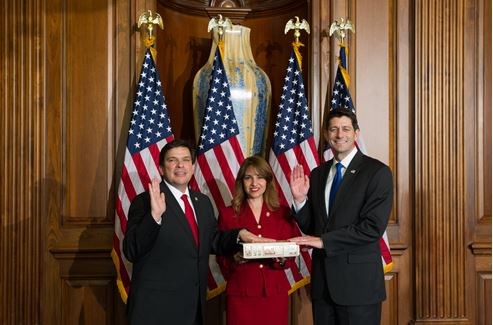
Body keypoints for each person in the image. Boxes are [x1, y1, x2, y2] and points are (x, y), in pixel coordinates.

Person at [123, 139, 263, 325]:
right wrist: (154, 216)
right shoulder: (145, 202)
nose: (180, 165)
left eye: (186, 159)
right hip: (155, 310)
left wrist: (239, 234)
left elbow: (212, 240)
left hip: (193, 309)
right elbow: (131, 250)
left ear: (193, 166)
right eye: (172, 160)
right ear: (161, 168)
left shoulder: (202, 202)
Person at [288, 108, 393, 325]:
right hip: (323, 286)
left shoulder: (377, 172)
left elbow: (371, 228)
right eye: (334, 129)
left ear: (356, 133)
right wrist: (300, 201)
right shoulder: (317, 174)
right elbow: (313, 228)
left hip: (358, 288)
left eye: (345, 129)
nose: (339, 135)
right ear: (327, 135)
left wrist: (323, 241)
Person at [217, 156, 301, 325]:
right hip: (241, 294)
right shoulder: (228, 214)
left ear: (268, 180)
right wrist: (235, 259)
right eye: (248, 177)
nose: (254, 183)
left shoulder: (283, 213)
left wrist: (282, 260)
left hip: (274, 294)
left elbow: (291, 255)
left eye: (260, 177)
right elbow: (220, 255)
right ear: (242, 181)